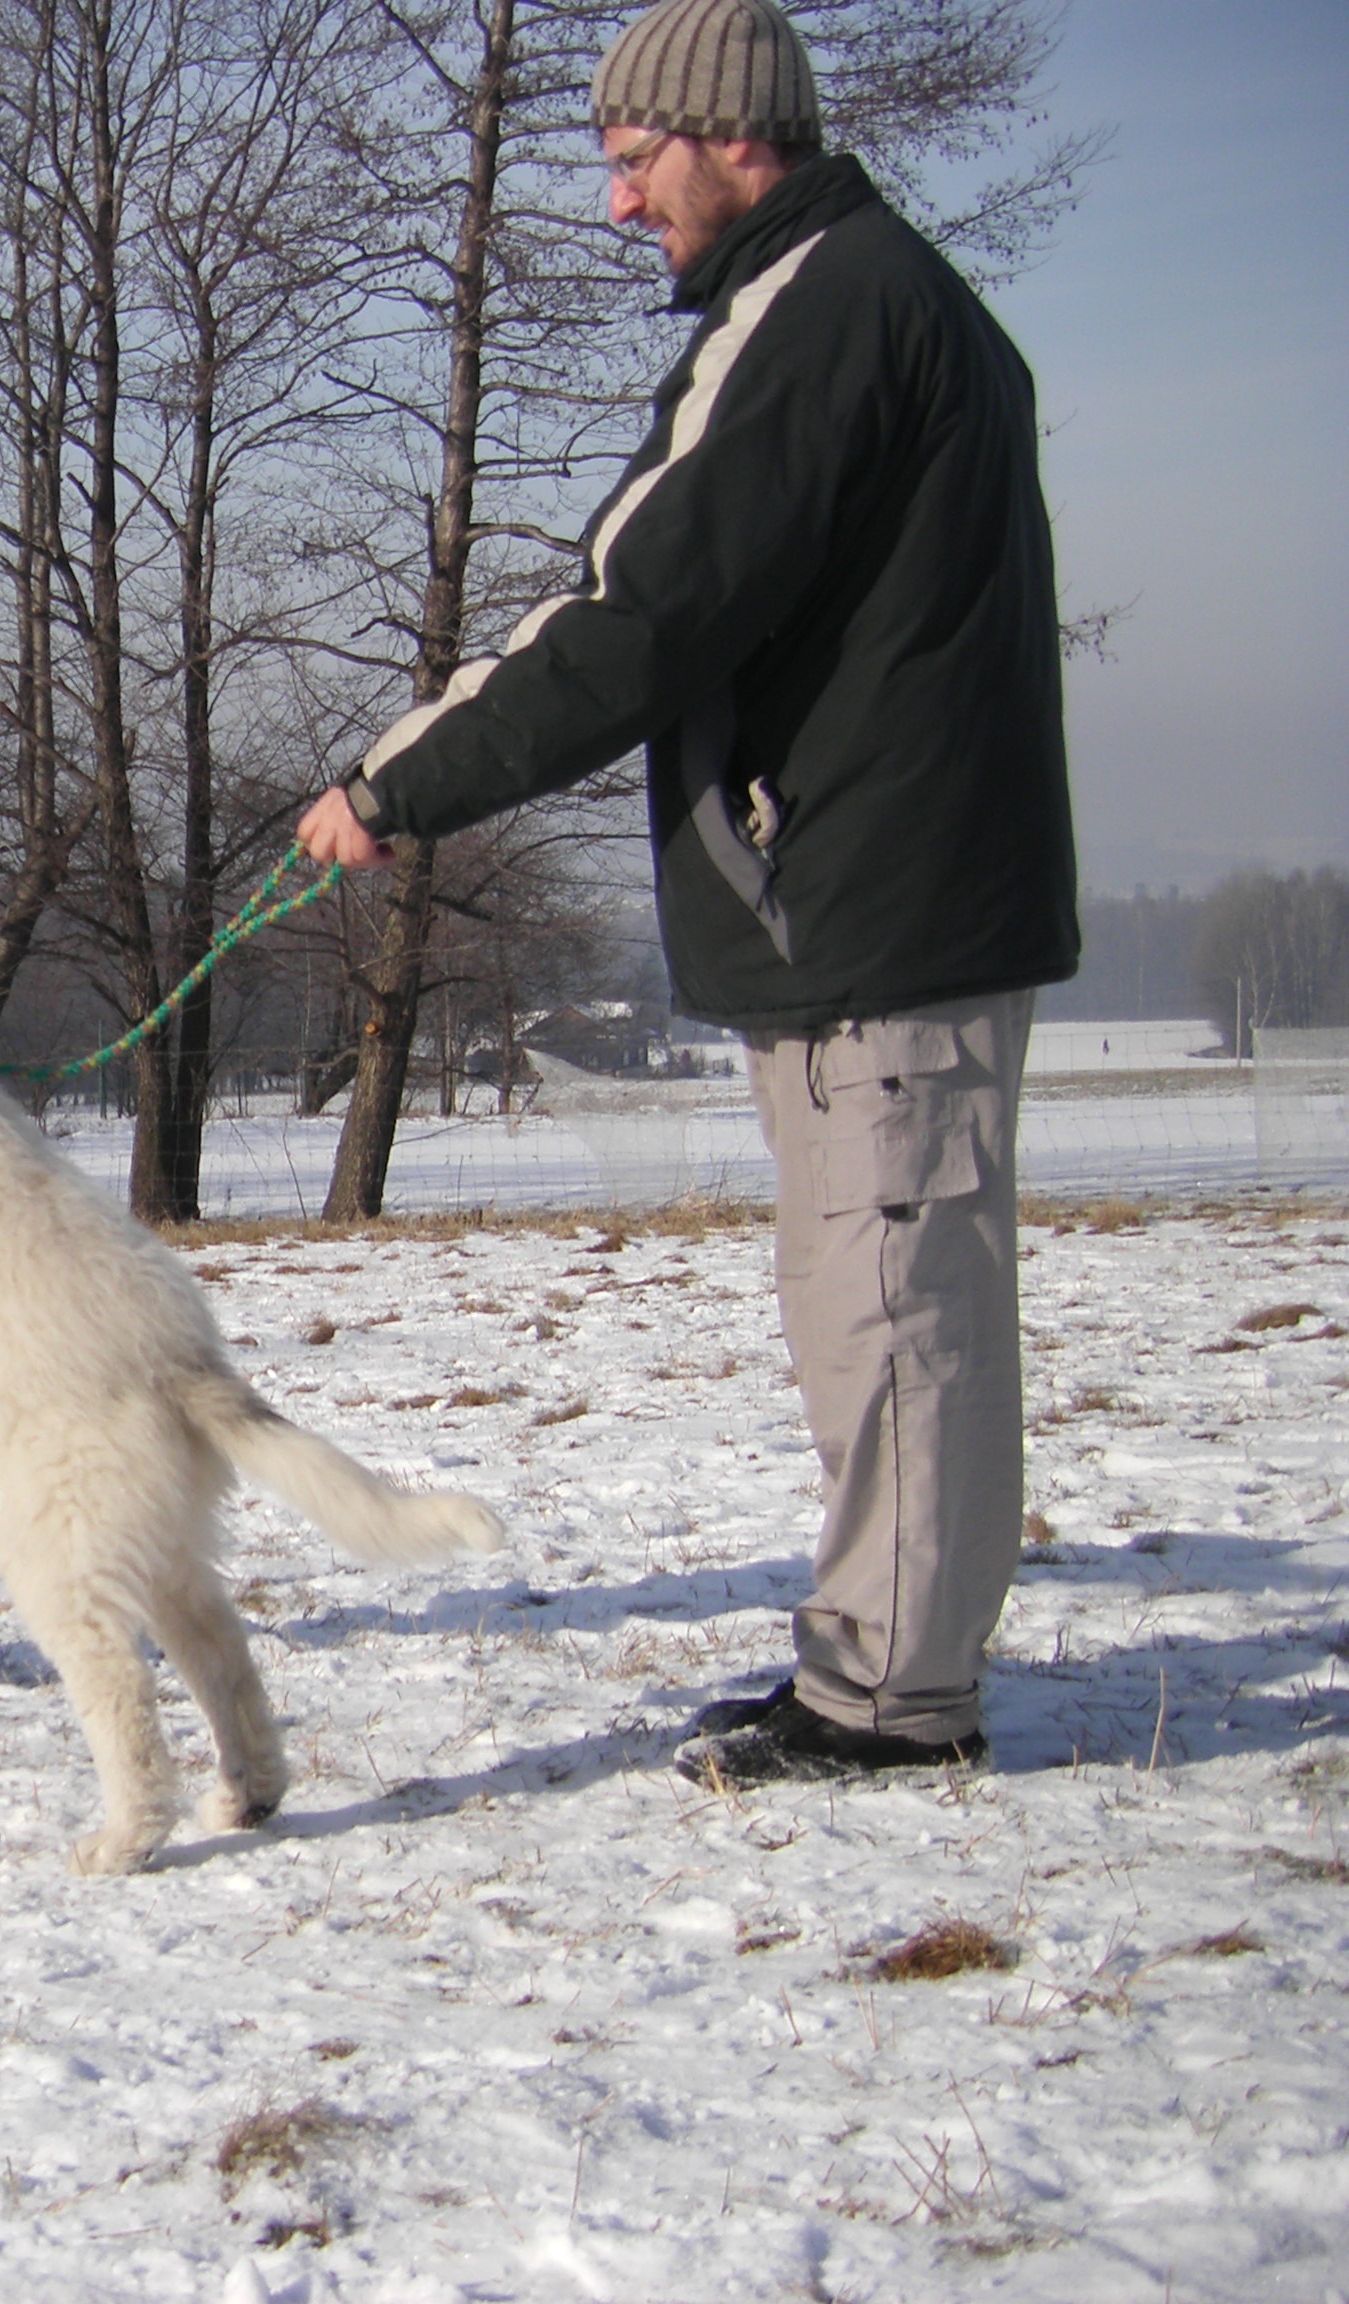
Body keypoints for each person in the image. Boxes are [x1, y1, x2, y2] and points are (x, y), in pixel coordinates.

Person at [295, 0, 1077, 1786]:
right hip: (862, 912)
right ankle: (874, 1665)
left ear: (735, 135)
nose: (619, 201)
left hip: (884, 912)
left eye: (635, 159)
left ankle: (892, 1704)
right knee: (868, 1306)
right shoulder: (856, 301)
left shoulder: (824, 312)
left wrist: (391, 787)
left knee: (897, 1313)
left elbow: (635, 612)